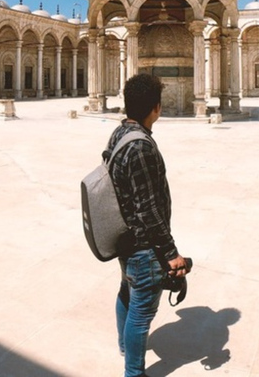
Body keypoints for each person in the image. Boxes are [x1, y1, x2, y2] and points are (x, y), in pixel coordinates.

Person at [104, 73, 187, 377]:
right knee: (141, 312)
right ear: (156, 108)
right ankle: (134, 372)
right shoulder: (141, 146)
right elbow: (149, 209)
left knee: (127, 292)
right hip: (143, 245)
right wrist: (171, 253)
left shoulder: (119, 134)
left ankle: (125, 346)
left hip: (124, 235)